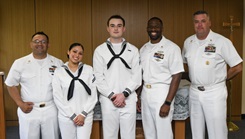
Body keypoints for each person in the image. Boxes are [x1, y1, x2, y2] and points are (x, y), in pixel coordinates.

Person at [182, 10, 243, 139]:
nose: (200, 25)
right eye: (196, 22)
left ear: (209, 23)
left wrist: (222, 78)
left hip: (214, 92)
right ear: (193, 24)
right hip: (194, 92)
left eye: (203, 21)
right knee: (196, 131)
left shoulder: (222, 42)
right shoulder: (188, 42)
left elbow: (238, 67)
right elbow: (186, 63)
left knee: (217, 132)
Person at [5, 31, 63, 139]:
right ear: (31, 44)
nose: (39, 44)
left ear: (48, 44)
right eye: (36, 41)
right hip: (28, 109)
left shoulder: (58, 63)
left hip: (51, 108)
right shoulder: (20, 63)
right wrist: (20, 103)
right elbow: (10, 84)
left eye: (43, 42)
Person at [93, 15, 142, 139]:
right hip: (109, 100)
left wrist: (124, 94)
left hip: (128, 99)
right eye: (112, 26)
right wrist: (112, 96)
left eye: (119, 26)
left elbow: (137, 76)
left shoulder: (133, 50)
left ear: (124, 29)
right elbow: (98, 77)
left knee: (129, 135)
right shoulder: (100, 50)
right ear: (108, 29)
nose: (116, 29)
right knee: (109, 136)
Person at [137, 17, 184, 139]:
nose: (153, 29)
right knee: (149, 131)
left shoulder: (172, 48)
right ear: (147, 29)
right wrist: (138, 96)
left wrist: (167, 102)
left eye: (156, 26)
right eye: (150, 26)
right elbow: (141, 75)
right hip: (146, 93)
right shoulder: (143, 49)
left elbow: (177, 75)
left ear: (162, 29)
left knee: (163, 132)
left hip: (162, 93)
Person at [52, 43, 97, 139]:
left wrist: (83, 114)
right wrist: (71, 115)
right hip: (66, 116)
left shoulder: (89, 70)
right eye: (74, 51)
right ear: (68, 52)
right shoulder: (59, 72)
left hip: (85, 115)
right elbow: (57, 97)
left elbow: (93, 95)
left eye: (80, 53)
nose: (77, 55)